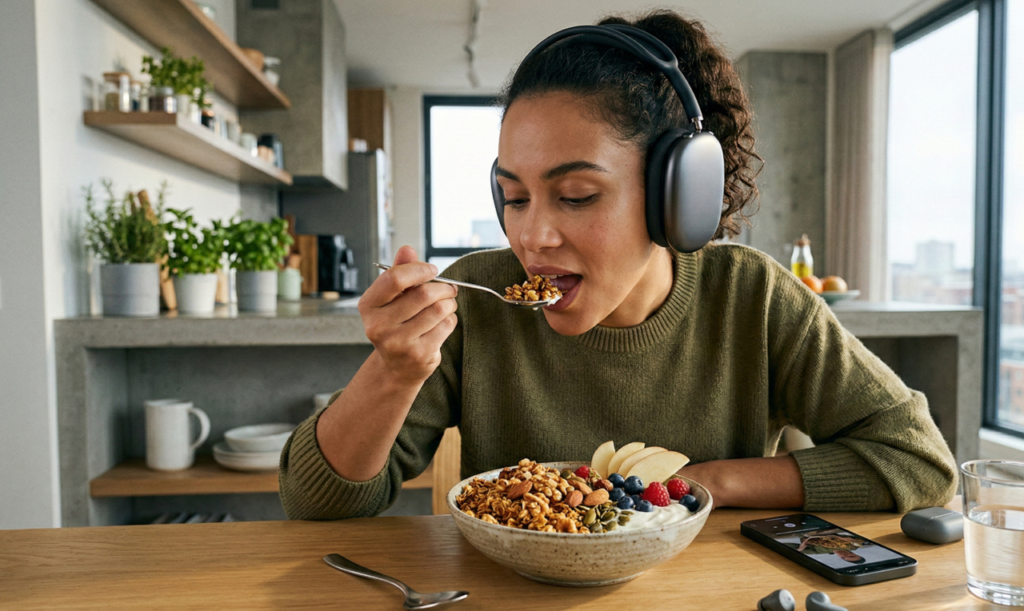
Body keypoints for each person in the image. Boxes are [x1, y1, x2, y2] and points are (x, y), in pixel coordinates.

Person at [279, 10, 957, 520]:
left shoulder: (752, 297)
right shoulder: (479, 298)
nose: (532, 235)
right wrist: (392, 371)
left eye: (576, 195)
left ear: (675, 199)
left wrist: (704, 483)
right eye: (513, 197)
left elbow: (919, 459)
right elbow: (316, 504)